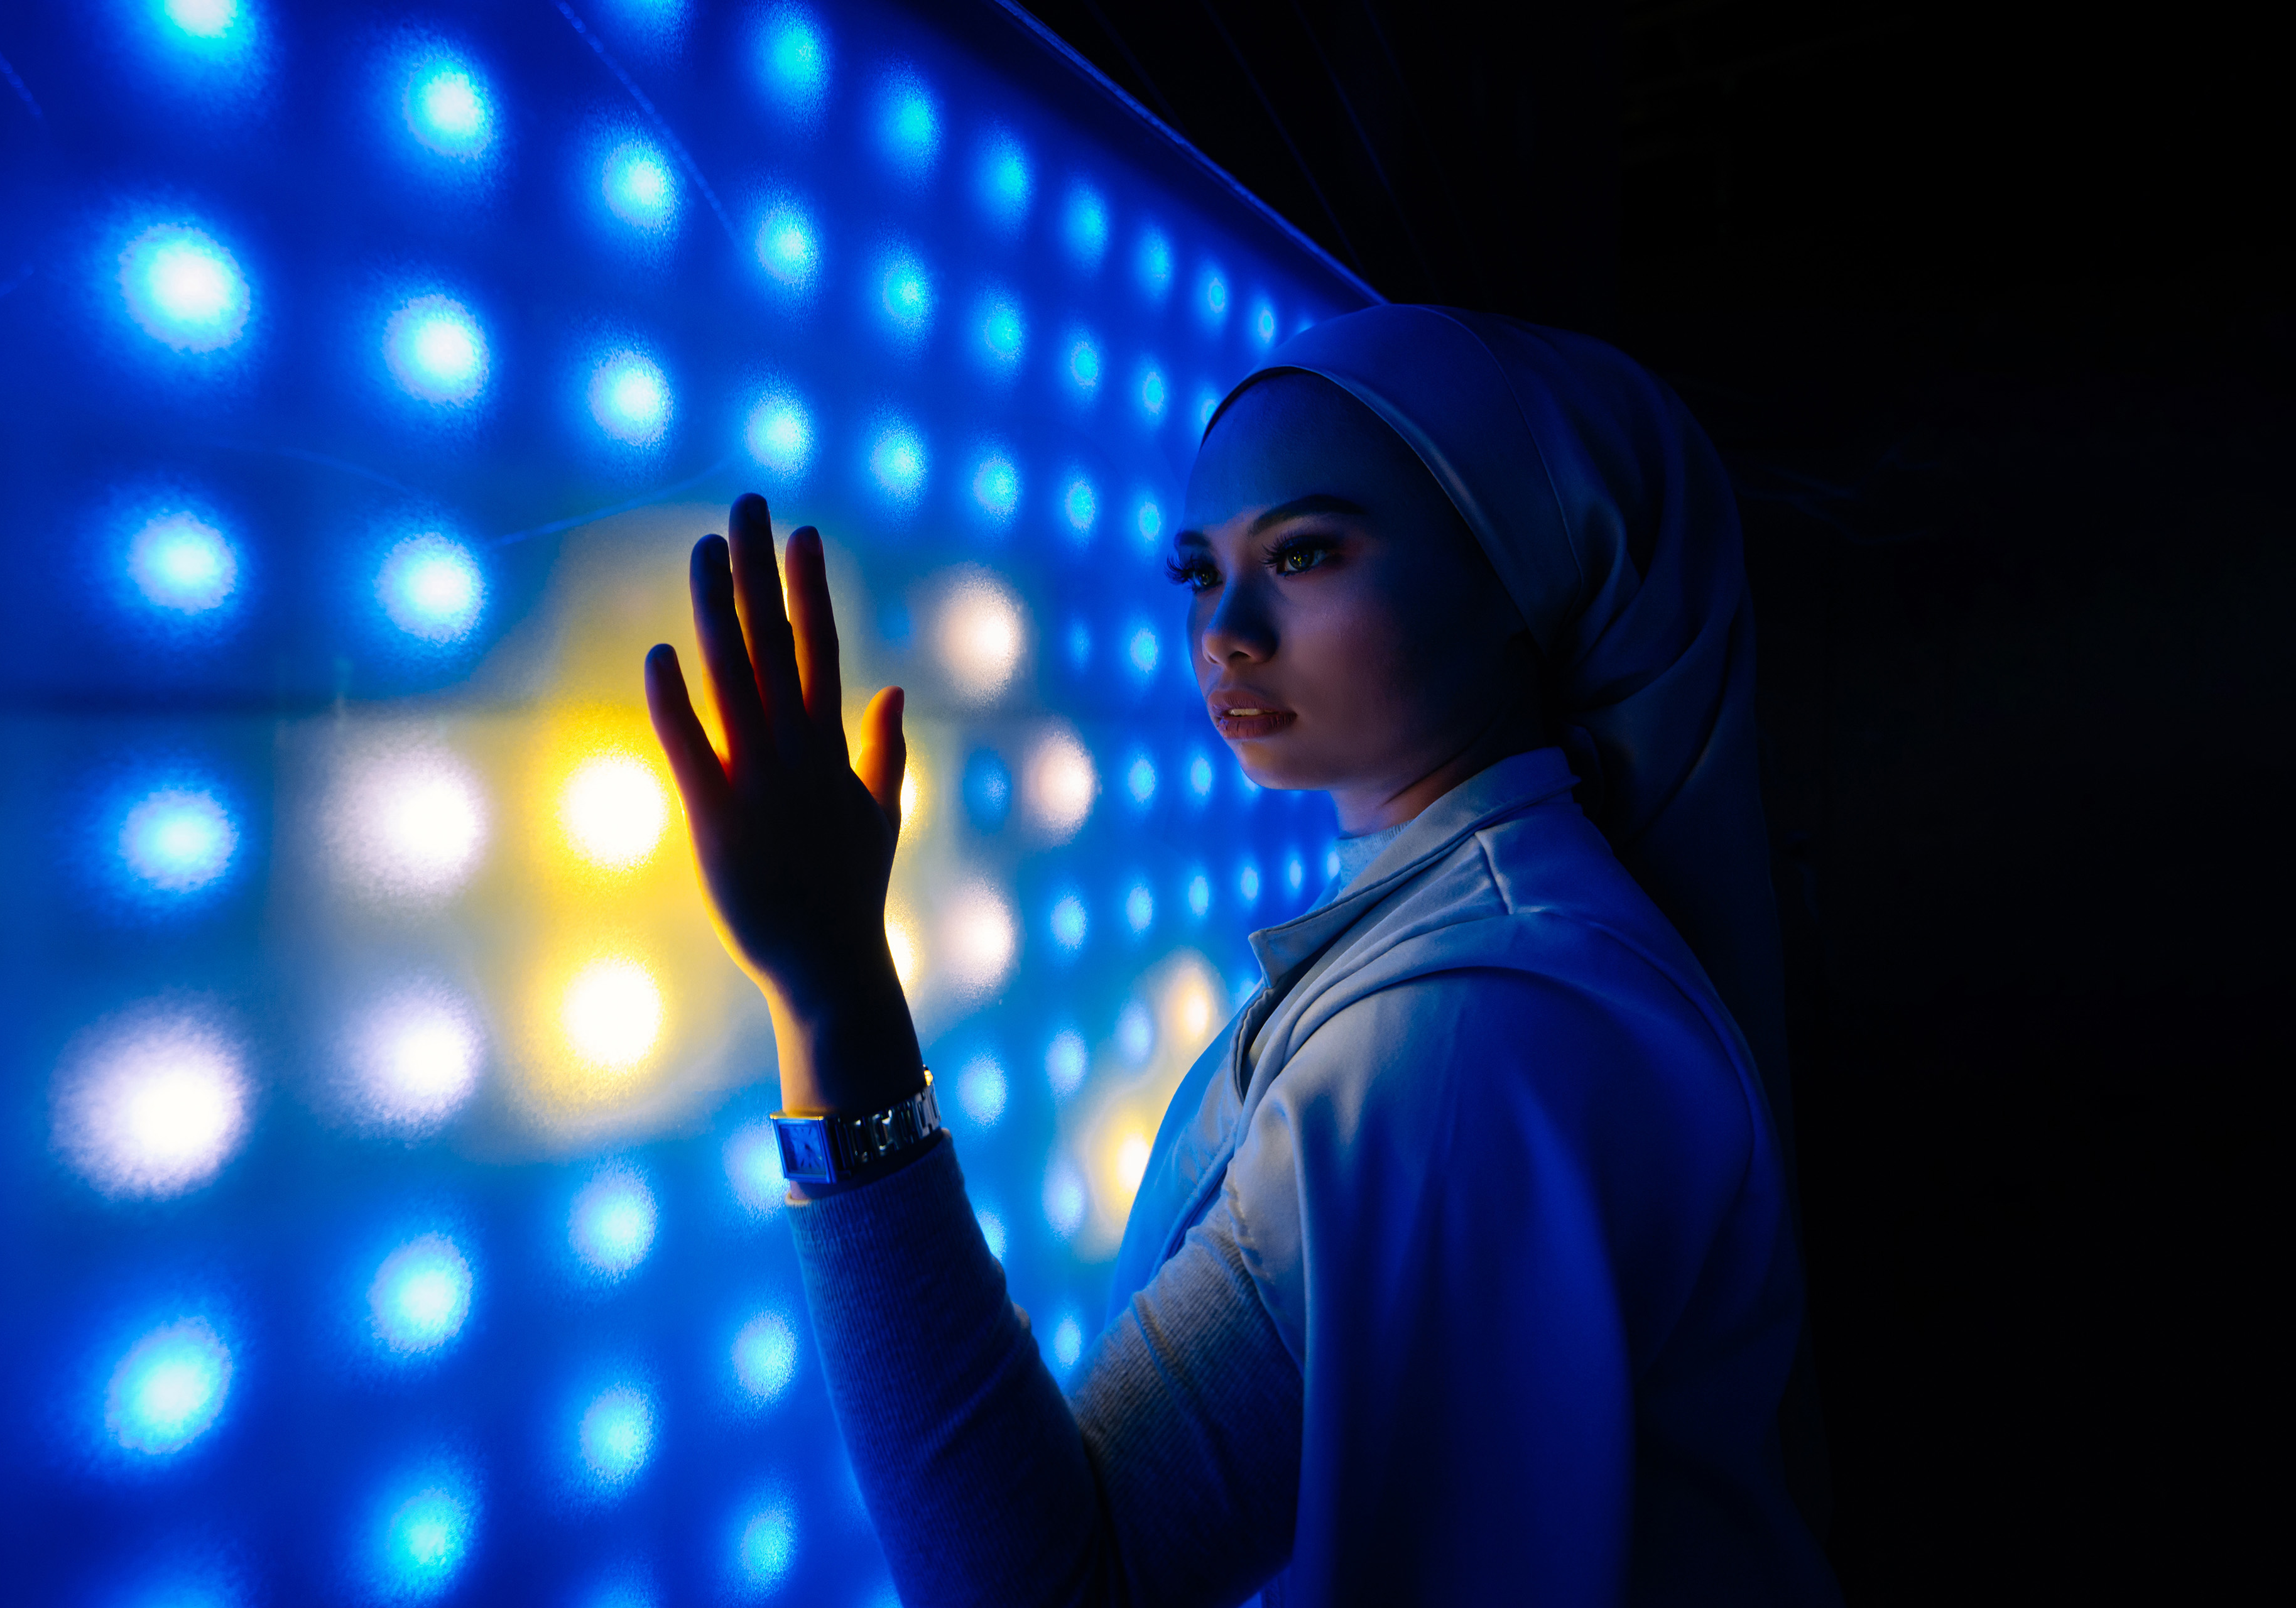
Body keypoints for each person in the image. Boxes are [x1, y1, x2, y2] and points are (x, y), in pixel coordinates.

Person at [643, 305, 1841, 1606]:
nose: (1229, 632)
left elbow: (1054, 1583)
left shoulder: (1460, 1046)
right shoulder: (1486, 949)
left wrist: (837, 1001)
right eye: (1199, 571)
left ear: (1515, 580)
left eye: (1307, 552)